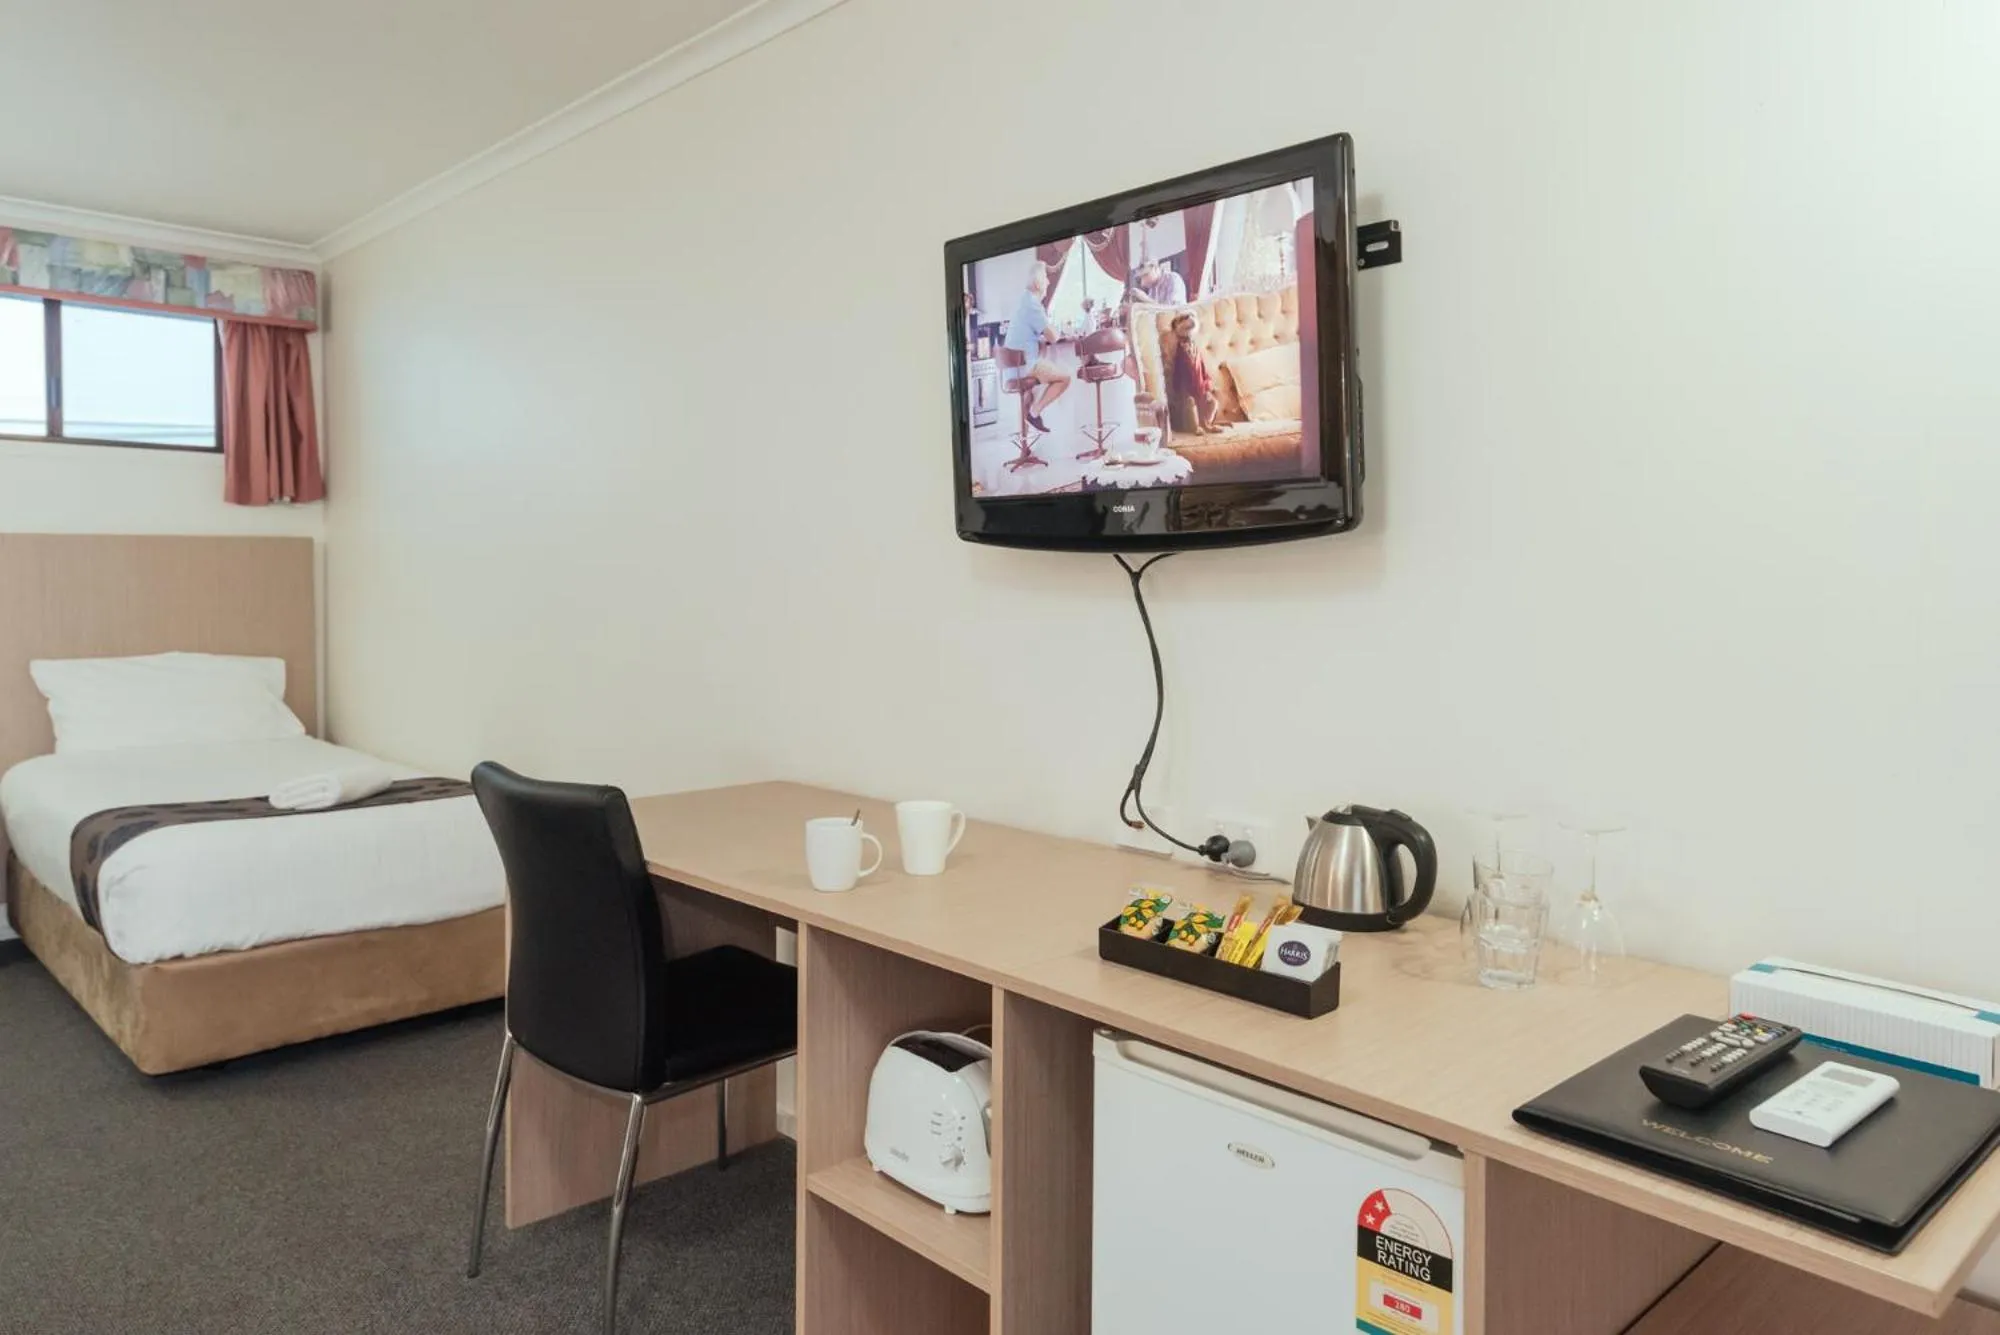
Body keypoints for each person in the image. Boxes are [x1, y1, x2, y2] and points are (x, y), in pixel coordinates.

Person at [1000, 260, 1069, 431]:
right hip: (1025, 366)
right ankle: (1035, 412)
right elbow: (1053, 337)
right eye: (1046, 278)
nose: (1049, 282)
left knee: (1029, 394)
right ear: (1038, 283)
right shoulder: (1032, 305)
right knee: (1065, 378)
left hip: (1013, 369)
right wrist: (1059, 332)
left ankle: (1025, 448)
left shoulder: (1023, 300)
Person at [1166, 312, 1221, 435]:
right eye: (1184, 319)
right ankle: (1196, 427)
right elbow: (1177, 374)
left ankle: (1207, 423)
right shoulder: (1179, 351)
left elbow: (1203, 368)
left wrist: (1208, 386)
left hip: (1201, 388)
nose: (1189, 319)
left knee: (1212, 402)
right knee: (1191, 404)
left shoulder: (1196, 348)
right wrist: (1180, 393)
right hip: (1187, 392)